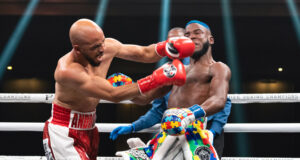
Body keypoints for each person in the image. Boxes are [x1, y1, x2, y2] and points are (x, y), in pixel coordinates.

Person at [42, 18, 195, 160]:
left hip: (89, 129)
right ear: (78, 49)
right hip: (64, 132)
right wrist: (155, 79)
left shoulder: (106, 46)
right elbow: (113, 94)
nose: (103, 49)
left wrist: (167, 48)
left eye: (102, 42)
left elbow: (144, 53)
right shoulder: (67, 71)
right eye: (96, 47)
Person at [110, 20, 231, 160]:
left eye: (197, 33)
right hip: (168, 131)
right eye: (188, 34)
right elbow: (145, 98)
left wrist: (187, 115)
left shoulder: (217, 68)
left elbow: (219, 100)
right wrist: (126, 89)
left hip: (196, 132)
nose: (191, 37)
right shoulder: (174, 69)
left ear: (210, 39)